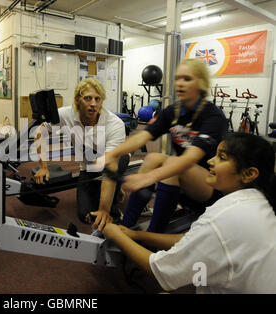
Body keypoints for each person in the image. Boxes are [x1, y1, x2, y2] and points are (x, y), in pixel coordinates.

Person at [102, 132, 276, 293]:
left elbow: (161, 272)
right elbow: (190, 239)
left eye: (221, 158)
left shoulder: (223, 216)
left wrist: (116, 234)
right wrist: (135, 235)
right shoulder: (259, 202)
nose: (210, 161)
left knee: (152, 285)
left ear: (249, 174)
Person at [99, 58, 227, 232]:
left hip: (213, 187)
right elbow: (143, 136)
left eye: (187, 79)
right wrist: (113, 153)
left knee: (174, 165)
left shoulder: (213, 116)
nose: (180, 83)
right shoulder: (173, 111)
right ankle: (126, 225)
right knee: (152, 157)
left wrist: (149, 178)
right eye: (178, 78)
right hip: (183, 183)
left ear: (201, 83)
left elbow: (190, 158)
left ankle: (154, 234)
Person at [34, 78, 129, 231]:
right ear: (78, 100)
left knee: (105, 208)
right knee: (85, 214)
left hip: (115, 160)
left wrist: (105, 210)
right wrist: (43, 166)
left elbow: (110, 167)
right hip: (88, 165)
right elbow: (40, 131)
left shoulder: (115, 124)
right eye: (88, 98)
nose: (93, 103)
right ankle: (110, 190)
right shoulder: (66, 114)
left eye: (97, 99)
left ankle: (115, 195)